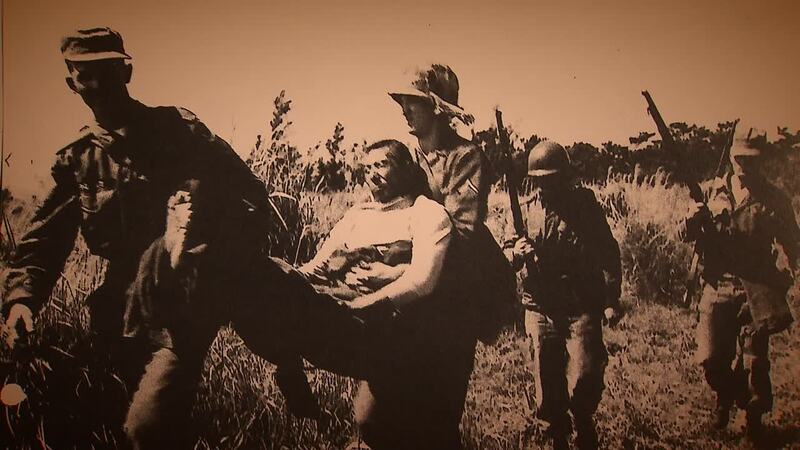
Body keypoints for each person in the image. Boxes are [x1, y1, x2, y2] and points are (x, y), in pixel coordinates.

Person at [0, 27, 345, 449]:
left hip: (189, 296)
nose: (97, 84)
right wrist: (22, 299)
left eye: (107, 70)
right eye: (84, 74)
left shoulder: (177, 131)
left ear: (126, 72)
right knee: (126, 420)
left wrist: (211, 256)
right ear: (70, 81)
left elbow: (251, 196)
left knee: (146, 428)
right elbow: (43, 240)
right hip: (125, 307)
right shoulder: (79, 159)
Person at [299, 139, 468, 449]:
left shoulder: (426, 213)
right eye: (367, 168)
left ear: (404, 168)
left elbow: (423, 280)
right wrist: (279, 275)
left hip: (418, 338)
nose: (371, 174)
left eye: (381, 165)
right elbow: (317, 267)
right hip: (370, 334)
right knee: (372, 423)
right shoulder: (357, 216)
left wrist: (365, 304)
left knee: (416, 427)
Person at [680, 128, 797, 441]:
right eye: (740, 158)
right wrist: (692, 219)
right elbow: (684, 234)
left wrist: (792, 274)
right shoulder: (710, 191)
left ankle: (753, 420)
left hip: (756, 288)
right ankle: (727, 394)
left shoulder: (775, 199)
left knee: (754, 361)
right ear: (731, 156)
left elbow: (793, 244)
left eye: (752, 159)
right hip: (717, 285)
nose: (745, 165)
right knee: (710, 360)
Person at [387, 63, 517, 344]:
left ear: (436, 108)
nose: (404, 110)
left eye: (413, 102)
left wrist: (400, 252)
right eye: (403, 102)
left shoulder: (466, 158)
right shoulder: (406, 159)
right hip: (412, 283)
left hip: (457, 290)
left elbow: (462, 231)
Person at [504, 141, 622, 450]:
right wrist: (516, 253)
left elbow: (608, 252)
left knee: (584, 375)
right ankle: (556, 435)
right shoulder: (525, 210)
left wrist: (610, 299)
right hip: (540, 305)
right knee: (546, 376)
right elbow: (505, 251)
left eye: (554, 179)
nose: (547, 186)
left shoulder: (585, 206)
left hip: (580, 303)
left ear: (566, 177)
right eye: (541, 180)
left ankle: (583, 419)